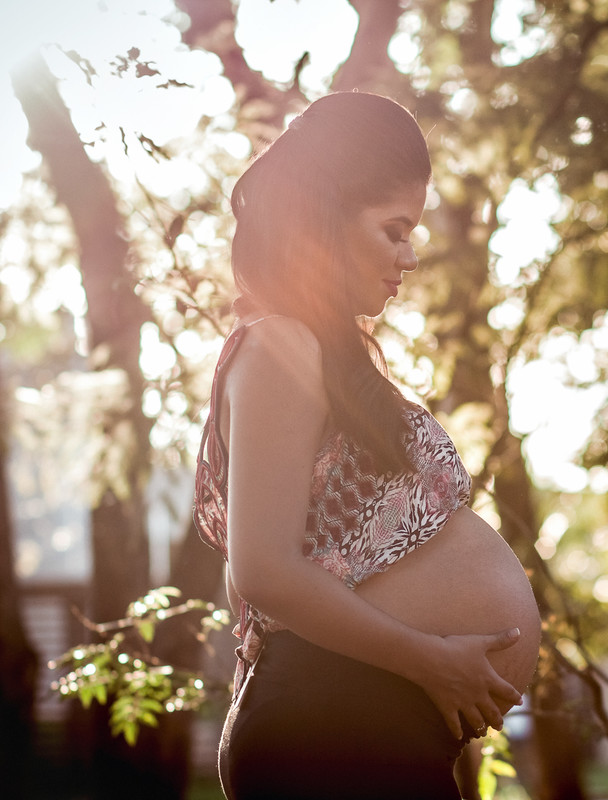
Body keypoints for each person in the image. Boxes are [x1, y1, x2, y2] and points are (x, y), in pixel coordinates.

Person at [193, 91, 541, 800]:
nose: (410, 256)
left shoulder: (330, 360)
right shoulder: (278, 346)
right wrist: (430, 661)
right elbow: (258, 571)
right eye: (392, 229)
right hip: (330, 728)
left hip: (361, 728)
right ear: (323, 219)